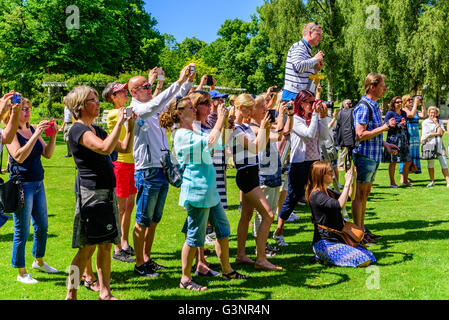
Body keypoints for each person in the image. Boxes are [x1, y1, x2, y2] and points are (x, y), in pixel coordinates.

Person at [159, 96, 250, 291]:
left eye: (193, 107)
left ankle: (226, 270)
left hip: (210, 191)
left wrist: (224, 121)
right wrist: (219, 119)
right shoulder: (182, 134)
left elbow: (218, 144)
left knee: (224, 230)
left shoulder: (193, 129)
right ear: (179, 113)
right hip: (197, 192)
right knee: (194, 237)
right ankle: (185, 279)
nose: (194, 110)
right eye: (190, 107)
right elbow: (210, 141)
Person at [65, 86, 133, 300]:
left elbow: (123, 148)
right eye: (93, 100)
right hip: (91, 194)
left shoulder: (94, 128)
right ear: (81, 106)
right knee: (86, 248)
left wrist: (130, 126)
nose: (98, 103)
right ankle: (71, 293)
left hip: (107, 191)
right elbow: (104, 148)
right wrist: (120, 122)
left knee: (105, 245)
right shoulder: (77, 130)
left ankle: (105, 292)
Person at [129, 64, 194, 277]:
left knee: (154, 219)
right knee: (142, 220)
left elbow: (172, 100)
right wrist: (179, 81)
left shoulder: (153, 107)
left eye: (149, 86)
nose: (149, 89)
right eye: (145, 86)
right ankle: (139, 264)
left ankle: (147, 258)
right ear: (133, 92)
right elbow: (160, 100)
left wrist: (189, 80)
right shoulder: (136, 110)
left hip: (161, 168)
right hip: (147, 171)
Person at [6, 97, 58, 284]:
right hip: (22, 185)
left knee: (42, 226)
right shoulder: (9, 132)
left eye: (28, 108)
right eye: (22, 109)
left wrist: (52, 136)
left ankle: (39, 260)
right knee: (22, 230)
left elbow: (48, 154)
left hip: (38, 183)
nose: (26, 112)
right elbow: (19, 157)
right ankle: (21, 272)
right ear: (13, 113)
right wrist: (36, 136)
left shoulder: (34, 128)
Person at [273, 90, 330, 247]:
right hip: (299, 163)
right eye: (310, 102)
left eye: (314, 102)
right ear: (302, 103)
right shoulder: (296, 119)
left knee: (317, 198)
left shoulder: (315, 117)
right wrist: (316, 116)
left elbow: (324, 136)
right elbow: (309, 134)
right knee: (293, 197)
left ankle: (320, 234)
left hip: (315, 162)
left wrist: (323, 117)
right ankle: (279, 231)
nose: (313, 105)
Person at [232, 93, 282, 271]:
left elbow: (261, 145)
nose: (253, 111)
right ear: (240, 108)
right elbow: (255, 147)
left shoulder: (244, 126)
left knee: (246, 216)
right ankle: (261, 258)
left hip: (251, 173)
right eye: (250, 108)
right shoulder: (235, 128)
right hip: (246, 175)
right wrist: (263, 127)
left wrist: (265, 128)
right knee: (268, 214)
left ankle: (241, 255)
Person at [351, 73, 399, 246]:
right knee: (359, 194)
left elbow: (372, 132)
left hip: (373, 155)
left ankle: (362, 230)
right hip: (364, 156)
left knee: (365, 194)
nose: (384, 88)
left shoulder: (373, 105)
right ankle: (358, 232)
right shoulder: (365, 106)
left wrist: (384, 144)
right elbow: (360, 134)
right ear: (372, 86)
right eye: (382, 85)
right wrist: (385, 127)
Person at [306, 161, 375, 267]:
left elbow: (350, 197)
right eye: (329, 172)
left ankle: (328, 259)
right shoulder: (316, 196)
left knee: (370, 256)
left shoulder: (328, 192)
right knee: (363, 260)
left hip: (338, 239)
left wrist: (354, 180)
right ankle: (321, 257)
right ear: (320, 175)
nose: (333, 174)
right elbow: (339, 205)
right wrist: (347, 183)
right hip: (325, 243)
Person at [250, 94, 292, 255]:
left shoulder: (265, 126)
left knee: (271, 212)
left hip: (273, 172)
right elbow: (279, 134)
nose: (266, 109)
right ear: (253, 110)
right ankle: (260, 247)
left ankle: (264, 243)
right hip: (264, 173)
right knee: (263, 213)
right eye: (262, 107)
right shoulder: (254, 128)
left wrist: (291, 115)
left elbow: (284, 132)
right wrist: (281, 115)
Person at [103, 81, 136, 263]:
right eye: (120, 92)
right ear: (112, 98)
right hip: (121, 164)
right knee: (120, 208)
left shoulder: (126, 110)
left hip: (131, 163)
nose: (125, 93)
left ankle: (124, 242)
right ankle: (117, 247)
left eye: (125, 90)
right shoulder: (116, 113)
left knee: (129, 207)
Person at [282, 22, 324, 102]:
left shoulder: (305, 50)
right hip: (293, 96)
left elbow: (305, 78)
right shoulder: (299, 47)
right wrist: (315, 59)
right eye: (318, 34)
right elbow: (298, 67)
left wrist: (316, 69)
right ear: (310, 33)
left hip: (299, 97)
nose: (321, 37)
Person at [383, 96, 412, 187]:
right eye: (397, 102)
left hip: (403, 138)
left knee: (407, 160)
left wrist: (408, 140)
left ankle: (405, 180)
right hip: (393, 139)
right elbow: (385, 126)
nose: (399, 103)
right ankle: (392, 182)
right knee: (393, 161)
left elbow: (406, 127)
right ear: (393, 104)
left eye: (400, 102)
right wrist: (398, 125)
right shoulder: (390, 113)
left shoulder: (403, 113)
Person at [399, 95, 426, 182]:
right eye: (409, 100)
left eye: (412, 99)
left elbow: (424, 115)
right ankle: (402, 177)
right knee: (406, 155)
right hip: (407, 135)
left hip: (415, 135)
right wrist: (415, 104)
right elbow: (410, 115)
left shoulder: (415, 109)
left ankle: (407, 176)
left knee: (412, 155)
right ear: (404, 102)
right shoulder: (403, 110)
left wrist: (422, 104)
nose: (411, 101)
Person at [422, 106, 449, 187]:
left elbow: (442, 133)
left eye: (434, 113)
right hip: (429, 145)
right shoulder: (425, 122)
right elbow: (425, 135)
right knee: (430, 164)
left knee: (444, 163)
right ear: (428, 113)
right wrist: (436, 133)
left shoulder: (439, 122)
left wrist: (437, 123)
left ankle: (448, 182)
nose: (432, 114)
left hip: (439, 144)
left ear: (437, 114)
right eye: (431, 112)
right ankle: (432, 181)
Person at [337, 99, 352, 171]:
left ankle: (348, 165)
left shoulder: (352, 111)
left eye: (350, 104)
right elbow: (338, 124)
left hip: (350, 134)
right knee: (343, 151)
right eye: (348, 103)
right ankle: (340, 165)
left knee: (350, 151)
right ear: (344, 104)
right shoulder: (341, 112)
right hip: (343, 134)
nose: (350, 105)